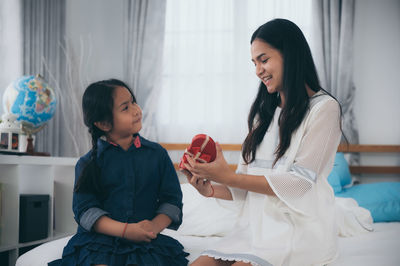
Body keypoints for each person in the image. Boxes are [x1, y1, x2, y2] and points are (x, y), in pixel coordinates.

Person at [182, 19, 343, 266]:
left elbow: (300, 185)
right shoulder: (264, 114)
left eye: (264, 59)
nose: (258, 70)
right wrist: (211, 188)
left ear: (290, 55)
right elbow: (246, 185)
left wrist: (228, 176)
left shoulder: (324, 109)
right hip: (253, 231)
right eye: (255, 63)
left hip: (296, 232)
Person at [49, 79, 188, 266]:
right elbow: (85, 211)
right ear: (104, 124)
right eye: (125, 108)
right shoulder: (87, 163)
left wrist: (153, 227)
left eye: (133, 102)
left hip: (146, 241)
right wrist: (125, 230)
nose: (136, 109)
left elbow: (171, 201)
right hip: (99, 242)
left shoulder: (158, 155)